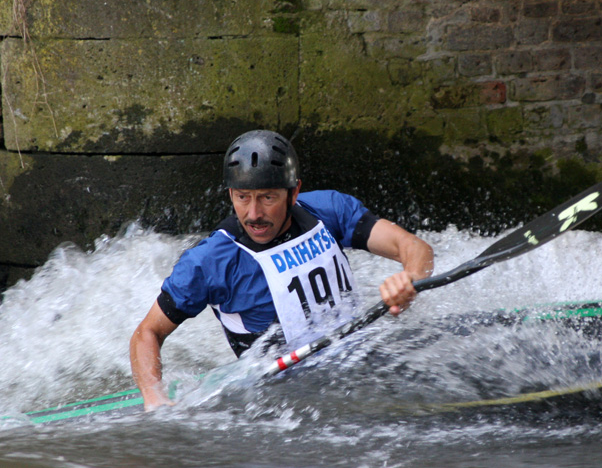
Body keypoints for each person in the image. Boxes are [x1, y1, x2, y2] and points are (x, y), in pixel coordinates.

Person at [130, 130, 434, 411]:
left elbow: (415, 249)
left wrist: (410, 280)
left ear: (294, 191)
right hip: (287, 396)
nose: (253, 214)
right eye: (242, 197)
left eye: (267, 197)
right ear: (230, 194)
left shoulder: (328, 210)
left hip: (360, 357)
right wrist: (154, 397)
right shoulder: (208, 262)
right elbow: (148, 333)